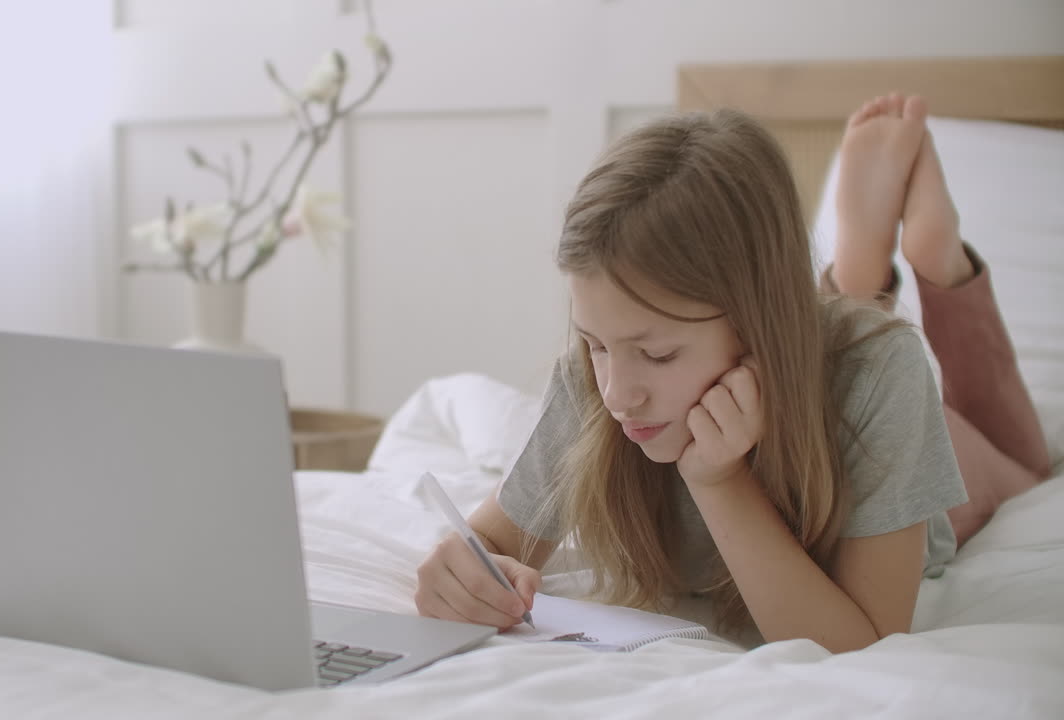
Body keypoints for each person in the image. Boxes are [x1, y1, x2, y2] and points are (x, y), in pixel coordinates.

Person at [413, 94, 1051, 653]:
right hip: (807, 344)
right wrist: (462, 570)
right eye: (595, 344)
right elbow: (494, 541)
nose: (617, 394)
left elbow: (864, 645)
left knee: (1027, 466)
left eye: (659, 355)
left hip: (861, 405)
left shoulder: (880, 377)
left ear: (756, 326)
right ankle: (855, 279)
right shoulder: (600, 377)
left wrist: (720, 482)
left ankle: (937, 265)